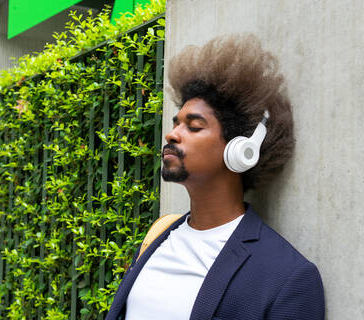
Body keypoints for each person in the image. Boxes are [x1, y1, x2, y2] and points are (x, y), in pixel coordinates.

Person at [106, 34, 325, 320]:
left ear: (241, 150)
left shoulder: (287, 278)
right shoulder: (157, 238)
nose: (172, 134)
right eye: (176, 123)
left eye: (194, 126)